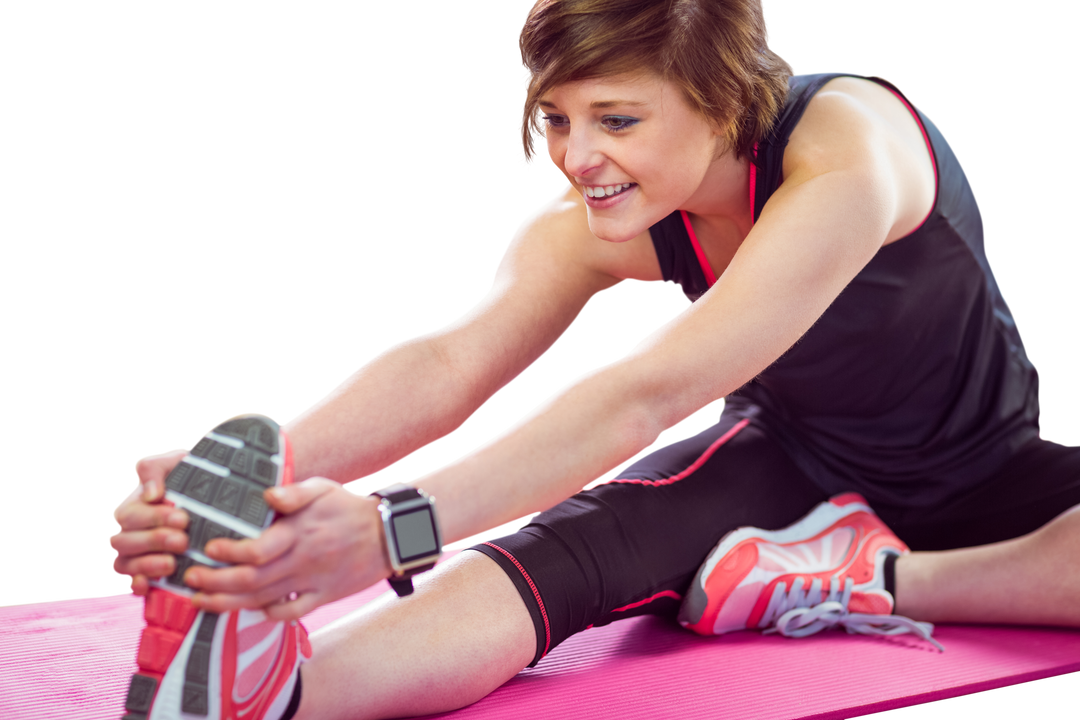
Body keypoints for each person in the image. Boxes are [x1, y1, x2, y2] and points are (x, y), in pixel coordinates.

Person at [107, 1, 1080, 719]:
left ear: (721, 96)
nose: (578, 156)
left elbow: (647, 391)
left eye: (617, 120)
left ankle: (858, 580)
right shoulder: (600, 219)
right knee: (573, 546)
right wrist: (244, 483)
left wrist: (394, 527)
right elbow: (453, 363)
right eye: (560, 118)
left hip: (985, 468)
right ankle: (272, 697)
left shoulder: (851, 151)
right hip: (790, 463)